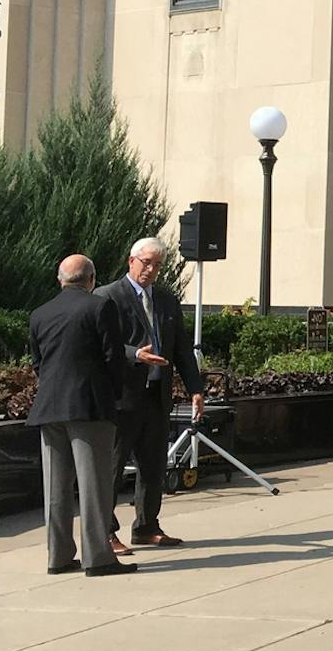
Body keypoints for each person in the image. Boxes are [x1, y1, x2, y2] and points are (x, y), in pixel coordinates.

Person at [97, 237, 204, 551]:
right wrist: (135, 355)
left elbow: (182, 349)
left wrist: (196, 389)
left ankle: (146, 526)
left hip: (157, 396)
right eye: (146, 263)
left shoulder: (167, 300)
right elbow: (102, 346)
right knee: (112, 469)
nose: (151, 269)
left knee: (153, 466)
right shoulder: (108, 297)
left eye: (157, 264)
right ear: (131, 261)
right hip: (122, 398)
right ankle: (104, 531)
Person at [29, 255, 131, 577]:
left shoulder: (39, 313)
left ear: (60, 280)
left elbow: (37, 362)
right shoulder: (100, 307)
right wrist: (113, 395)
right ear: (91, 280)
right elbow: (113, 357)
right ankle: (98, 557)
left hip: (49, 407)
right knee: (94, 485)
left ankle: (58, 556)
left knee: (55, 490)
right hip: (89, 407)